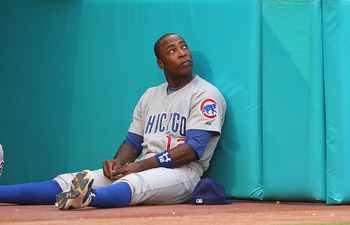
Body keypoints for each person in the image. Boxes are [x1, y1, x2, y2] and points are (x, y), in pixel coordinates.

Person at [0, 33, 226, 210]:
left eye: (184, 47)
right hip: (144, 166)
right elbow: (133, 142)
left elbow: (193, 150)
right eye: (172, 50)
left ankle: (87, 198)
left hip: (183, 172)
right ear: (161, 63)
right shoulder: (150, 95)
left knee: (134, 183)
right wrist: (118, 163)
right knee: (71, 180)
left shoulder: (205, 94)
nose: (182, 53)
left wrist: (138, 166)